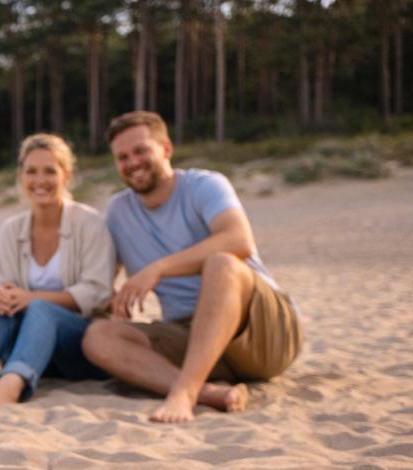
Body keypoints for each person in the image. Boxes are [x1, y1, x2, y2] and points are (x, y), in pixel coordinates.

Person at [82, 111, 302, 423]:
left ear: (166, 149)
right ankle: (209, 393)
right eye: (123, 157)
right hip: (194, 336)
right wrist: (111, 300)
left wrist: (158, 268)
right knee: (98, 336)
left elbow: (239, 241)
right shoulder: (118, 211)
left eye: (141, 150)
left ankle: (184, 392)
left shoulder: (204, 185)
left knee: (222, 263)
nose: (132, 162)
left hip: (262, 331)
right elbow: (102, 275)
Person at [0, 133, 115, 408]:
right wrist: (4, 297)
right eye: (31, 171)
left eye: (49, 171)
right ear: (21, 176)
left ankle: (10, 388)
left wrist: (33, 298)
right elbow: (2, 286)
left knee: (40, 308)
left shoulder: (90, 224)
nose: (40, 181)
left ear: (67, 175)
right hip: (24, 347)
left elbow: (98, 294)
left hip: (77, 347)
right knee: (1, 308)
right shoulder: (11, 230)